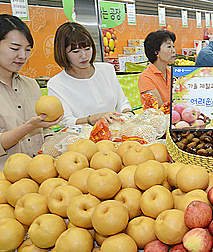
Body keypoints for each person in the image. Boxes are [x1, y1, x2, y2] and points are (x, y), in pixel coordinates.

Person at [0, 14, 61, 169]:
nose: (22, 56)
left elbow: (45, 130)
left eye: (27, 50)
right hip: (6, 181)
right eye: (14, 48)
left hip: (40, 173)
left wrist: (52, 142)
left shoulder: (31, 84)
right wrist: (29, 127)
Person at [48, 22, 132, 127]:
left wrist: (127, 113)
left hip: (116, 134)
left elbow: (122, 103)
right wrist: (92, 119)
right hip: (84, 140)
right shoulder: (56, 84)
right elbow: (66, 121)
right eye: (76, 51)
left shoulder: (107, 69)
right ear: (63, 53)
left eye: (87, 49)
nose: (84, 56)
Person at [138, 30, 176, 106]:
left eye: (173, 47)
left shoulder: (173, 72)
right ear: (156, 52)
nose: (174, 51)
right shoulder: (146, 77)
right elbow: (160, 107)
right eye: (169, 47)